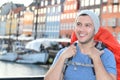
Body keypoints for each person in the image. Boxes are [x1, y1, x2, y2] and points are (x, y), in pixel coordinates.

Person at [44, 10, 117, 80]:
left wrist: (96, 59)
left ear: (95, 30)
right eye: (79, 24)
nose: (82, 29)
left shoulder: (106, 55)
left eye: (87, 25)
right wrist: (62, 57)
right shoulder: (63, 53)